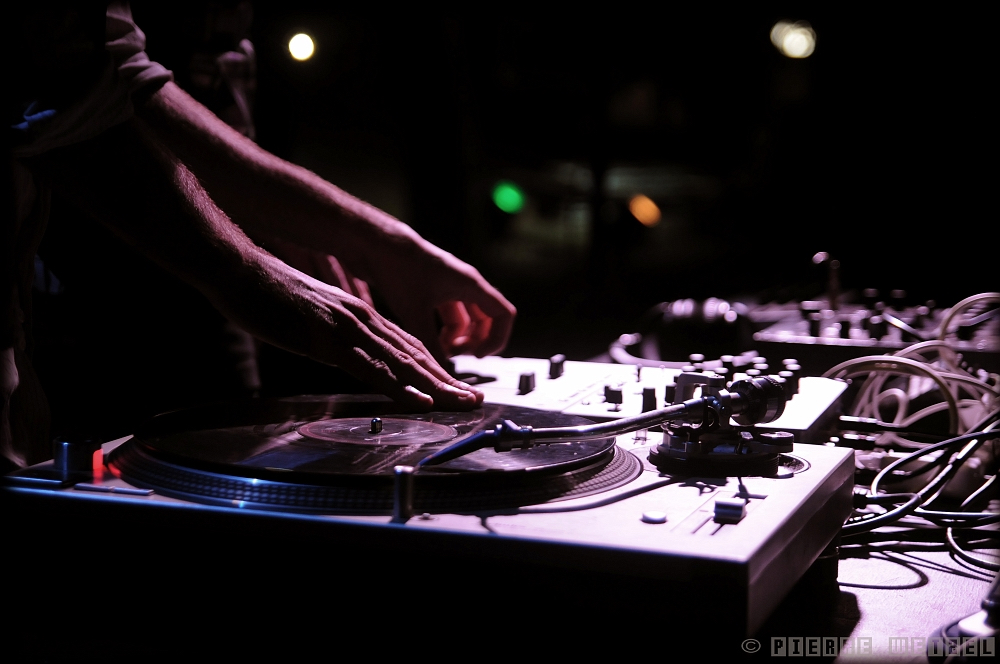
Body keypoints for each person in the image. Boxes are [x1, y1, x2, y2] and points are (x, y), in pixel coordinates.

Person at [2, 3, 516, 469]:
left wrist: (361, 238)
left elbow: (126, 90)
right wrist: (248, 269)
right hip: (108, 281)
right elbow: (82, 100)